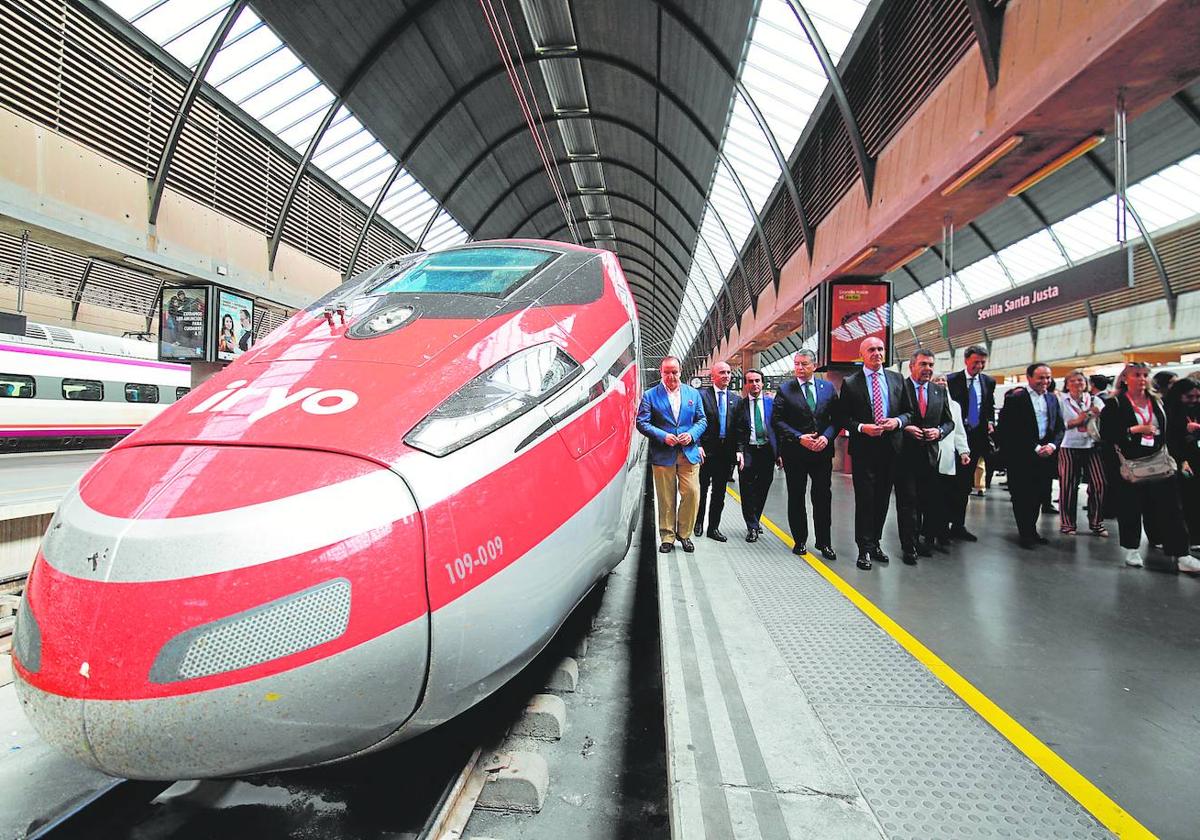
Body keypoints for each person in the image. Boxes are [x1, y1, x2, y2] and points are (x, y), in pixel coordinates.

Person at [1099, 362, 1196, 571]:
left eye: (1145, 375)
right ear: (1125, 378)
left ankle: (1181, 554)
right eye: (1136, 375)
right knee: (1131, 507)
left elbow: (1168, 430)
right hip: (1130, 463)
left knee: (1172, 508)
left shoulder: (1157, 401)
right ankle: (1131, 548)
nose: (1142, 379)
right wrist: (1134, 430)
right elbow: (1106, 434)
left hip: (1159, 460)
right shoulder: (1115, 404)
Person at [839, 336, 910, 570]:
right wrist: (862, 427)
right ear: (862, 354)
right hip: (864, 450)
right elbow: (843, 418)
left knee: (882, 499)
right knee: (865, 500)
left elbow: (909, 413)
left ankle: (876, 543)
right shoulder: (851, 383)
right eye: (871, 349)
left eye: (880, 349)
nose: (877, 353)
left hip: (891, 449)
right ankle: (864, 548)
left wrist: (897, 422)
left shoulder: (897, 379)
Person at [771, 350, 839, 559]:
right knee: (796, 496)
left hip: (821, 452)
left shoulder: (827, 388)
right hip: (796, 452)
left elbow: (836, 419)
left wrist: (826, 438)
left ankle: (824, 542)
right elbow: (777, 420)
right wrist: (799, 437)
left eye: (804, 364)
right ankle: (800, 540)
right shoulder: (785, 390)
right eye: (797, 364)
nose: (799, 368)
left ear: (814, 365)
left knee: (822, 497)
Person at [636, 356, 707, 554]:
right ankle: (667, 536)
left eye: (674, 371)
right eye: (666, 372)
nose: (671, 376)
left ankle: (684, 534)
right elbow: (642, 422)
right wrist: (663, 435)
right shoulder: (650, 395)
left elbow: (701, 420)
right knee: (666, 498)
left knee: (692, 493)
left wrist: (691, 435)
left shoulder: (693, 393)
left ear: (681, 371)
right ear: (661, 373)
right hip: (663, 453)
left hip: (688, 452)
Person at [895, 350, 954, 564]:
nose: (928, 369)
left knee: (925, 502)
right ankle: (908, 546)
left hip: (930, 456)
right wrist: (907, 427)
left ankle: (921, 540)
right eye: (923, 364)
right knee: (908, 502)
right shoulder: (900, 388)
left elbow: (949, 422)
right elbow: (893, 417)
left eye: (931, 364)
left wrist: (939, 432)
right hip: (904, 455)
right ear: (911, 366)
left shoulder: (939, 391)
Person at [997, 363, 1065, 548]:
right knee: (1022, 496)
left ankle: (1032, 529)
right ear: (1029, 378)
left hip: (1045, 456)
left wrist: (1051, 445)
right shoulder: (1016, 399)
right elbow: (1008, 430)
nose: (1045, 381)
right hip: (1022, 456)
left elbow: (1059, 427)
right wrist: (1034, 447)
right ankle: (1025, 532)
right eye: (1040, 377)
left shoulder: (1052, 399)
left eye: (1048, 377)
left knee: (1039, 495)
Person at [945, 346, 996, 542]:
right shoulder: (951, 381)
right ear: (966, 360)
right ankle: (942, 523)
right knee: (949, 482)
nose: (979, 366)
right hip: (953, 439)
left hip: (975, 439)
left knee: (965, 485)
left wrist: (990, 422)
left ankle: (959, 524)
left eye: (983, 362)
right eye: (976, 362)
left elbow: (988, 405)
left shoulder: (988, 382)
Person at [1057, 370, 1108, 537]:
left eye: (1081, 380)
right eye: (1073, 381)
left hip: (1091, 445)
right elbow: (1058, 425)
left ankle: (1096, 522)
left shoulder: (1095, 400)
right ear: (1067, 384)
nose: (1078, 384)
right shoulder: (1061, 401)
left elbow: (1102, 416)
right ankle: (1067, 523)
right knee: (1068, 485)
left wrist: (1089, 416)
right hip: (1069, 445)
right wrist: (1076, 421)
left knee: (1099, 483)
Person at [695, 362, 740, 542]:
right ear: (713, 376)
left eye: (729, 372)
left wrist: (739, 450)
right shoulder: (701, 396)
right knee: (702, 489)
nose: (727, 376)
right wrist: (697, 444)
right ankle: (698, 522)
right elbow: (695, 421)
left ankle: (713, 527)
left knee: (719, 493)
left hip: (725, 454)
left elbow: (739, 428)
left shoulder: (735, 399)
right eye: (722, 372)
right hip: (706, 452)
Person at [733, 369, 778, 542]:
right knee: (747, 489)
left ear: (763, 382)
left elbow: (777, 429)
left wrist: (779, 453)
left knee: (763, 487)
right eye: (750, 381)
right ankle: (751, 526)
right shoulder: (739, 405)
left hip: (767, 451)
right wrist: (739, 451)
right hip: (748, 451)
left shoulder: (771, 404)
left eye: (757, 380)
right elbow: (736, 430)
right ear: (745, 385)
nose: (755, 384)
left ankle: (756, 519)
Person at [931, 372, 971, 547]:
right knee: (931, 497)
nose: (941, 382)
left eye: (944, 380)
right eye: (937, 380)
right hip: (930, 455)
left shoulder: (955, 406)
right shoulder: (928, 401)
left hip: (948, 457)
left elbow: (959, 431)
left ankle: (943, 531)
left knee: (946, 496)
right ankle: (929, 532)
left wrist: (964, 451)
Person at [1165, 377, 1200, 554]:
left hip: (1195, 459)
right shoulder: (1169, 411)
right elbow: (1168, 437)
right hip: (1179, 461)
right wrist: (1185, 430)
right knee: (1186, 500)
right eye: (1189, 397)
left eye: (1197, 397)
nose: (1194, 401)